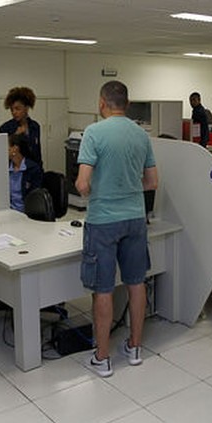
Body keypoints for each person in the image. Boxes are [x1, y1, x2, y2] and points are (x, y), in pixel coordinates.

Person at [76, 81, 159, 377]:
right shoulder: (141, 134)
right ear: (127, 102)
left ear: (102, 103)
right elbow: (152, 182)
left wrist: (96, 191)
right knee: (136, 284)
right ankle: (135, 348)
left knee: (103, 289)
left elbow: (82, 183)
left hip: (103, 220)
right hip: (135, 218)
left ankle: (102, 358)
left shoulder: (94, 133)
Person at [0, 86, 41, 165]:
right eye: (12, 109)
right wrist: (15, 136)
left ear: (27, 108)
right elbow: (3, 154)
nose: (14, 112)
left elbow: (37, 152)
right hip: (15, 170)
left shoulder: (35, 126)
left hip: (33, 169)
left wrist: (40, 170)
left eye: (17, 109)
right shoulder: (5, 128)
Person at [8, 133, 43, 213]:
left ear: (15, 148)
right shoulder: (5, 168)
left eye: (8, 146)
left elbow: (35, 198)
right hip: (9, 211)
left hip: (26, 213)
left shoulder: (33, 169)